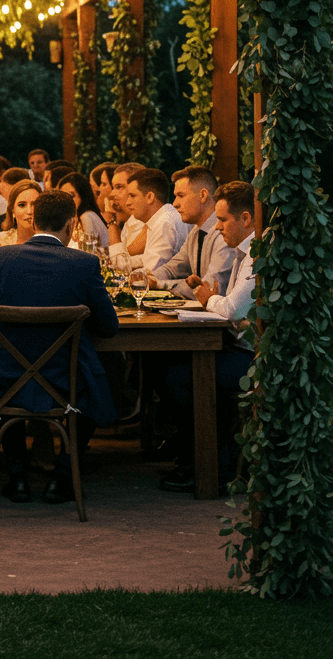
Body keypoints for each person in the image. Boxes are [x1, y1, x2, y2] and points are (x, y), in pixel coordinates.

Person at [0, 190, 118, 504]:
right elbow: (109, 328)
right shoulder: (85, 264)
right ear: (72, 224)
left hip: (7, 380)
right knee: (101, 379)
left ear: (34, 221)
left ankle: (18, 478)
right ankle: (62, 477)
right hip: (67, 383)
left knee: (3, 374)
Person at [160, 181, 258, 491]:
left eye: (223, 220)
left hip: (255, 360)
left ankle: (209, 467)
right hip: (240, 347)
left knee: (177, 377)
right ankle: (200, 456)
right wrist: (215, 300)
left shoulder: (257, 253)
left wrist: (207, 299)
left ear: (245, 218)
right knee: (170, 367)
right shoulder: (244, 251)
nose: (217, 227)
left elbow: (231, 309)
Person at [148, 167, 235, 300]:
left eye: (180, 196)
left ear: (203, 195)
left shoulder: (224, 233)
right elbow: (172, 269)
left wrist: (160, 284)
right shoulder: (195, 232)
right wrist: (146, 278)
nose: (175, 203)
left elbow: (209, 287)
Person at [109, 168, 187, 274]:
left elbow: (152, 272)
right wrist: (113, 264)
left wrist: (115, 268)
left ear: (150, 197)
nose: (127, 203)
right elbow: (147, 258)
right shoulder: (160, 218)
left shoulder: (164, 221)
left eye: (132, 196)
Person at [0, 179, 40, 255]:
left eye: (34, 204)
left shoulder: (52, 239)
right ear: (13, 211)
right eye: (22, 205)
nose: (29, 211)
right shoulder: (1, 239)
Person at [59, 171, 109, 249]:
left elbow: (89, 252)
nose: (67, 201)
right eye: (63, 197)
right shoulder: (71, 220)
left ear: (82, 196)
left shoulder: (87, 216)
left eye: (71, 196)